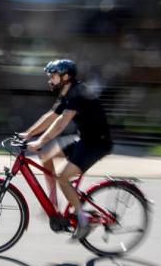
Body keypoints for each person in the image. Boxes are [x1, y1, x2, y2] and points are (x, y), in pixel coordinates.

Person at [19, 59, 113, 240]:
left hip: (97, 144)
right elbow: (51, 116)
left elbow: (62, 122)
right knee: (46, 155)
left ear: (65, 76)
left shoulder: (78, 93)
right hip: (84, 139)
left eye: (53, 76)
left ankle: (83, 220)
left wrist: (40, 140)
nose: (50, 79)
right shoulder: (67, 92)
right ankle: (53, 202)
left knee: (62, 178)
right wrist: (28, 134)